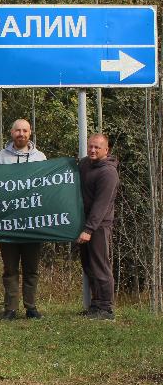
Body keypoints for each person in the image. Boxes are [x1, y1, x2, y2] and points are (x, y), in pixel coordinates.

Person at [0, 119, 47, 320]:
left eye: (25, 130)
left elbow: (48, 187)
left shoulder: (40, 157)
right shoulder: (1, 157)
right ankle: (11, 308)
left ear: (30, 133)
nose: (21, 134)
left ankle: (31, 307)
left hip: (32, 224)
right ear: (11, 132)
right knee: (10, 268)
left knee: (31, 268)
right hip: (8, 223)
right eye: (18, 130)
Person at [77, 134, 119, 320]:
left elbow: (101, 205)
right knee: (89, 266)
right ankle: (96, 304)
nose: (93, 150)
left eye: (97, 148)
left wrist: (89, 229)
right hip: (84, 224)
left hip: (99, 226)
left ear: (106, 150)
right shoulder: (85, 164)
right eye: (90, 147)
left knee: (100, 265)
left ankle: (106, 308)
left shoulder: (108, 173)